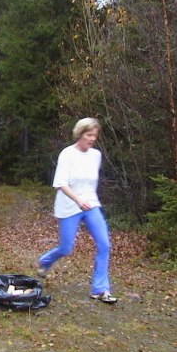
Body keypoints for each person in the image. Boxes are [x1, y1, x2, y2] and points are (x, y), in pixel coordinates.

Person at [37, 118, 117, 304]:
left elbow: (91, 183)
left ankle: (100, 289)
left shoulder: (96, 155)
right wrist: (78, 200)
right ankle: (45, 261)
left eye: (94, 136)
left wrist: (86, 200)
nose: (92, 139)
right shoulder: (67, 154)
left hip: (91, 205)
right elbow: (60, 183)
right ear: (79, 134)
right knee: (66, 248)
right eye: (89, 135)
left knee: (104, 244)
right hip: (69, 205)